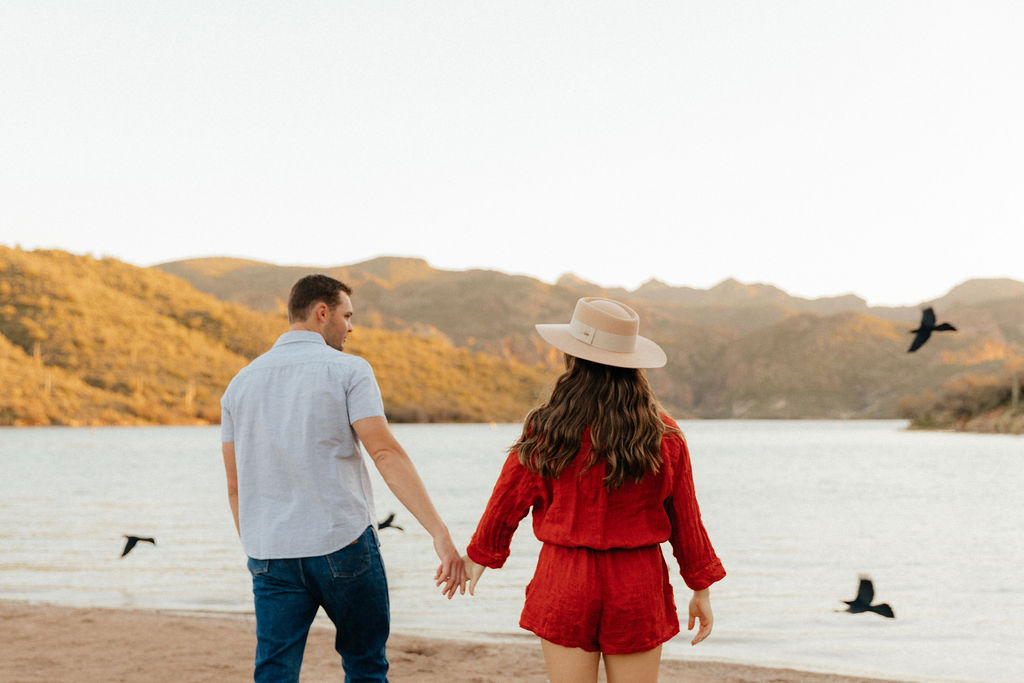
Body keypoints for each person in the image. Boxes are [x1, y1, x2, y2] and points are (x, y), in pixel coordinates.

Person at [462, 297, 726, 683]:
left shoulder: (548, 427)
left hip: (564, 578)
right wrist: (700, 588)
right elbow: (686, 519)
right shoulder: (664, 434)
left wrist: (479, 556)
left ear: (573, 358)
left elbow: (507, 499)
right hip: (637, 582)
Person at [220, 274, 466, 683]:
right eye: (346, 316)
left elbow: (235, 487)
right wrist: (438, 532)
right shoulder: (348, 370)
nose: (350, 327)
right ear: (322, 313)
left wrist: (257, 548)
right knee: (365, 665)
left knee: (274, 672)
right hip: (343, 546)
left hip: (270, 554)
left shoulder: (239, 384)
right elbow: (385, 452)